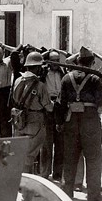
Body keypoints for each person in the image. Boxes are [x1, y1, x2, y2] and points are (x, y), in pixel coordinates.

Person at [55, 47, 102, 201]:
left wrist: (59, 122)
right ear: (92, 62)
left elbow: (60, 103)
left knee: (70, 157)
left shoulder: (66, 78)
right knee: (93, 157)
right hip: (90, 121)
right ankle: (93, 193)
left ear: (77, 61)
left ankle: (68, 191)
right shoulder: (94, 79)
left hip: (71, 122)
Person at [11, 51, 52, 173]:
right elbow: (49, 107)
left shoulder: (18, 80)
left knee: (20, 154)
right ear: (38, 67)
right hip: (35, 121)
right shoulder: (40, 85)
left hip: (19, 120)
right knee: (29, 156)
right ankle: (27, 184)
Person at [40, 50, 66, 181]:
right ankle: (45, 173)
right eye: (53, 60)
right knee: (47, 143)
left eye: (57, 60)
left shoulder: (63, 73)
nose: (55, 63)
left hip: (60, 108)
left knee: (60, 143)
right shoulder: (43, 72)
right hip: (47, 107)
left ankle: (58, 174)